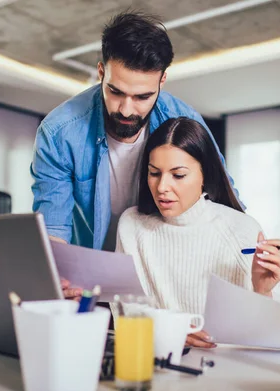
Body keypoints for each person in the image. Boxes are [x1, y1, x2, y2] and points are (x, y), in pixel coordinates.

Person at [29, 12, 242, 298]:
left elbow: (222, 198)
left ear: (162, 80)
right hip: (90, 280)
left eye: (142, 97)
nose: (127, 110)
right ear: (101, 72)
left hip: (166, 279)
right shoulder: (59, 133)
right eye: (116, 92)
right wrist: (59, 279)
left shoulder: (184, 121)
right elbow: (54, 229)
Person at [116, 117, 280, 348]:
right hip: (160, 362)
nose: (162, 187)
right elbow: (125, 314)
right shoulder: (132, 225)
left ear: (204, 175)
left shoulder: (243, 229)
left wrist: (262, 292)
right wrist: (169, 332)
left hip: (229, 368)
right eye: (154, 173)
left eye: (178, 175)